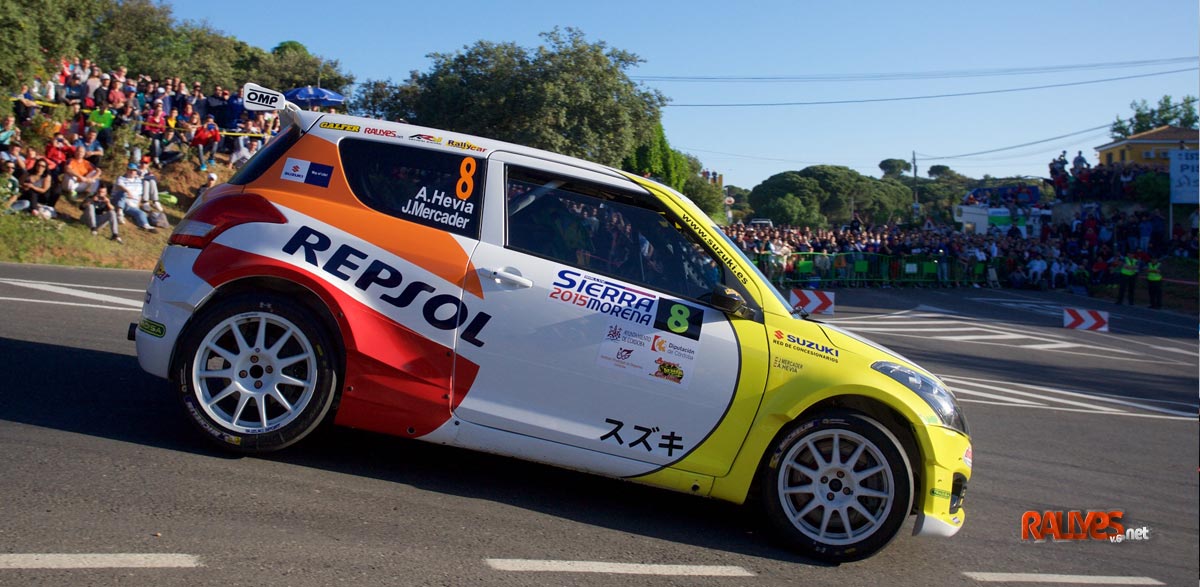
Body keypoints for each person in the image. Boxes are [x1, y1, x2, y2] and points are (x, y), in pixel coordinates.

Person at [111, 163, 156, 232]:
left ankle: (145, 225)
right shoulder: (121, 178)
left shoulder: (138, 180)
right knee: (122, 193)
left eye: (134, 170)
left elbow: (139, 195)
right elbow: (120, 186)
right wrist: (127, 191)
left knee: (141, 213)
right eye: (130, 170)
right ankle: (119, 214)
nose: (132, 172)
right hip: (119, 201)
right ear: (127, 170)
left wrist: (137, 205)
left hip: (131, 204)